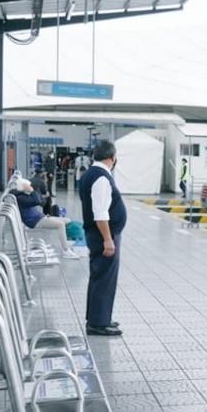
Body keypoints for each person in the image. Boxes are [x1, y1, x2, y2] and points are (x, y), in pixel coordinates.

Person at [79, 141, 127, 337]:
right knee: (104, 279)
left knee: (100, 276)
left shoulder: (89, 174)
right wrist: (108, 239)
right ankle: (98, 323)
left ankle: (100, 318)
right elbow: (100, 213)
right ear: (112, 158)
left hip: (99, 233)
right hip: (103, 235)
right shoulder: (101, 178)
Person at [10, 178, 80, 259]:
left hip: (39, 217)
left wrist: (33, 192)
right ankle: (66, 251)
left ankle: (66, 242)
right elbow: (37, 201)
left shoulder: (22, 195)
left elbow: (41, 201)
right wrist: (32, 191)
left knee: (67, 220)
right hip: (35, 221)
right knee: (60, 225)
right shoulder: (21, 198)